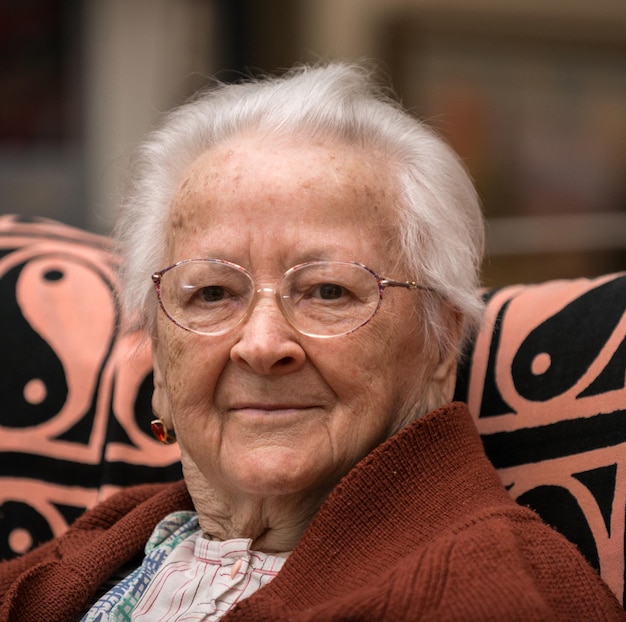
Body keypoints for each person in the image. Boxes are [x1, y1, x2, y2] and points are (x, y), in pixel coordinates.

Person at [0, 63, 624, 622]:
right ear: (159, 360)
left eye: (328, 292)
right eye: (212, 293)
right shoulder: (88, 552)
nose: (264, 344)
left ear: (440, 344)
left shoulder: (495, 592)